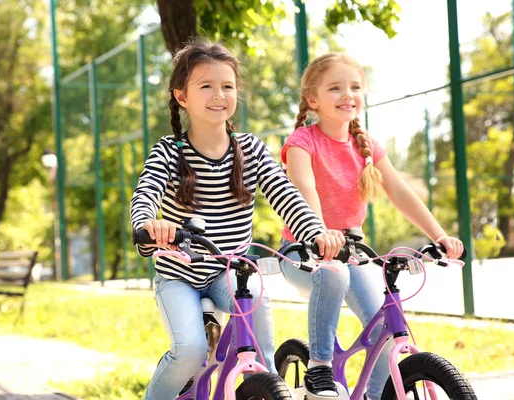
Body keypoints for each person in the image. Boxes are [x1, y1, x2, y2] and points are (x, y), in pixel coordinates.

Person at [129, 39, 344, 400]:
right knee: (191, 352)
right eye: (206, 86)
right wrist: (150, 225)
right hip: (179, 277)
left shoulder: (251, 150)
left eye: (227, 86)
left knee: (259, 340)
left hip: (232, 270)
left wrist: (316, 232)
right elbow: (146, 194)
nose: (219, 95)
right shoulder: (168, 151)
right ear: (182, 97)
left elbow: (286, 195)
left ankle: (260, 389)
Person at [279, 52, 464, 400]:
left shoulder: (367, 147)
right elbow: (305, 188)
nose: (347, 94)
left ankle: (372, 396)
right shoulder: (302, 142)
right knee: (334, 273)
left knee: (384, 329)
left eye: (355, 87)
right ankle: (319, 368)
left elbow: (400, 191)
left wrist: (439, 236)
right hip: (303, 252)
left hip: (351, 253)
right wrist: (319, 231)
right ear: (312, 100)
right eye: (335, 88)